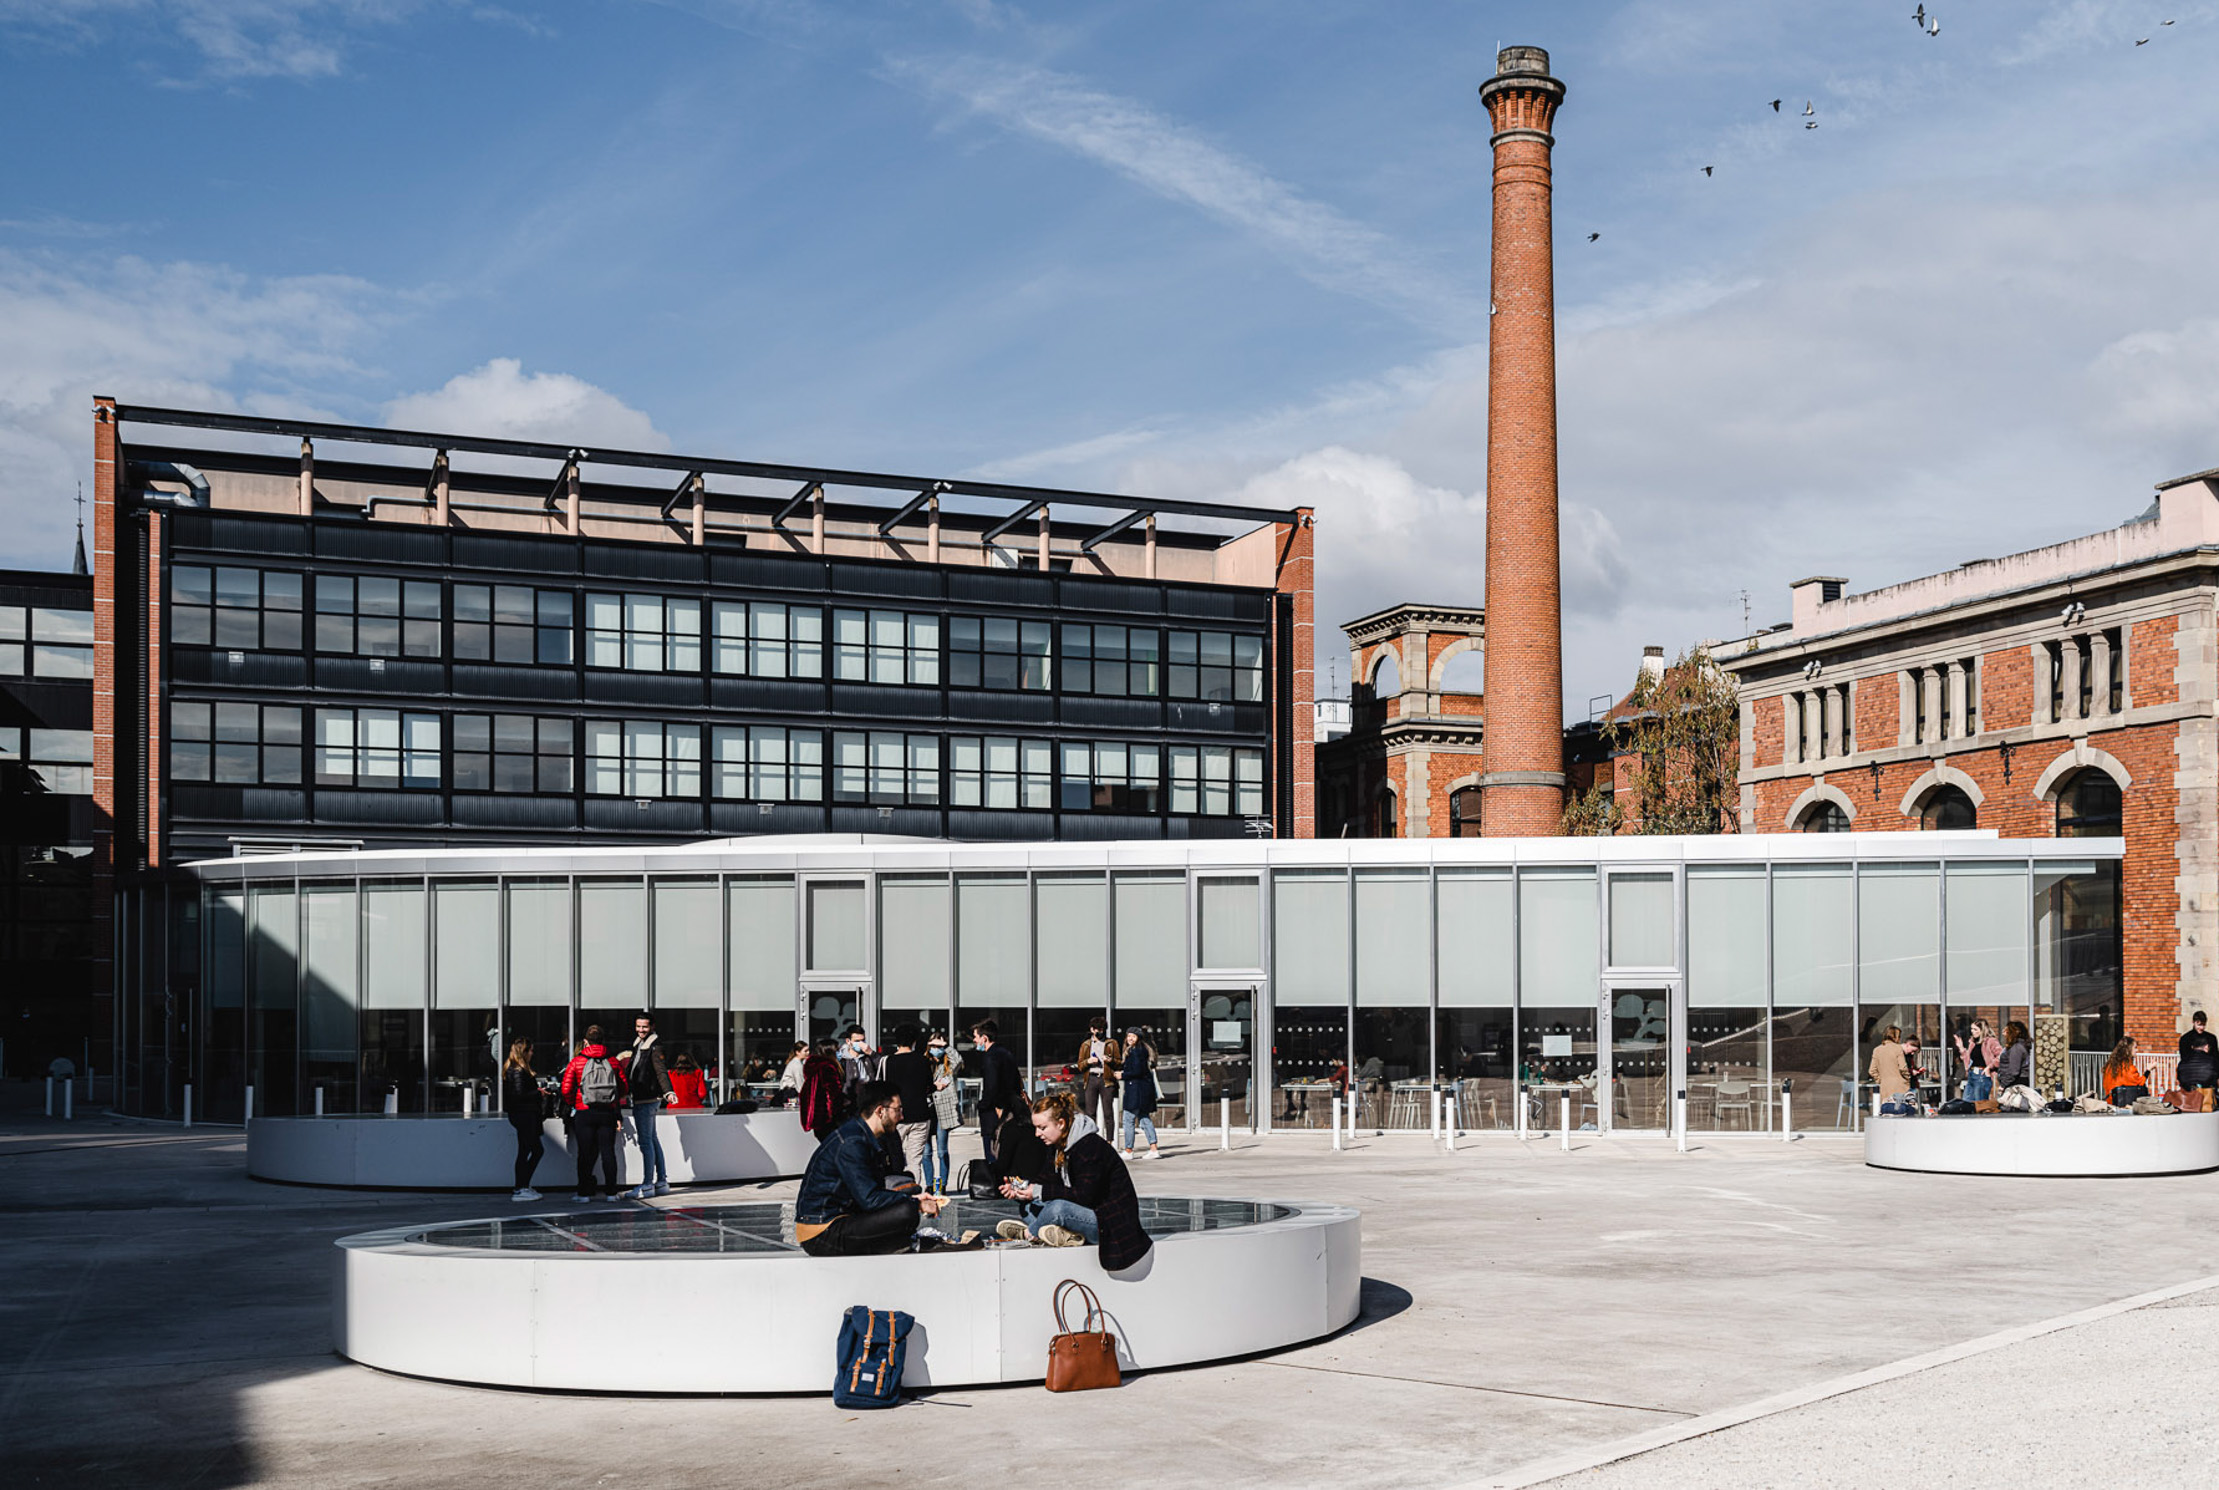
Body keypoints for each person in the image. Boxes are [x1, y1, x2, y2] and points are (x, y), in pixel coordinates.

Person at [996, 1091, 1153, 1272]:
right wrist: (1021, 1189)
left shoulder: (1090, 1147)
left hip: (1109, 1223)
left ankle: (1029, 1234)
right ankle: (1064, 1235)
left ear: (1061, 1123)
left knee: (1058, 1208)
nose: (1037, 1134)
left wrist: (1039, 1191)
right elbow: (1045, 1180)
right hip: (1085, 1211)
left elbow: (1085, 1195)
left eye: (1042, 1127)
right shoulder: (1058, 1145)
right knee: (1029, 1206)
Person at [794, 1080, 942, 1256]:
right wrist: (916, 1203)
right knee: (907, 1212)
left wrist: (913, 1197)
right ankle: (893, 1244)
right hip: (822, 1233)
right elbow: (870, 1199)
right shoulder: (852, 1142)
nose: (901, 1116)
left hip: (838, 1221)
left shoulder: (860, 1135)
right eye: (898, 1110)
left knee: (906, 1201)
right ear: (880, 1111)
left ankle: (893, 1244)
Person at [559, 1025, 629, 1201]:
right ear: (603, 1041)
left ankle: (584, 1194)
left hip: (584, 1111)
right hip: (607, 1112)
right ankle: (611, 1193)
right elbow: (623, 1087)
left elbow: (566, 1089)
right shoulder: (613, 1061)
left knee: (584, 1153)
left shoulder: (577, 1062)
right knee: (608, 1152)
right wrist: (612, 1099)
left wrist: (573, 1102)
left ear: (585, 1042)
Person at [620, 1014, 673, 1199]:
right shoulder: (640, 1044)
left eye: (644, 1027)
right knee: (652, 1139)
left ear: (652, 1027)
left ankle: (647, 1184)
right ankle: (661, 1181)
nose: (641, 1030)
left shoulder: (654, 1046)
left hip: (646, 1099)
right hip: (644, 1098)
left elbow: (661, 1071)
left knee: (646, 1142)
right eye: (638, 1026)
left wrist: (668, 1091)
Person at [881, 1023, 936, 1187]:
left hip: (896, 1115)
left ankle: (895, 1189)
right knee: (915, 1159)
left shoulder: (888, 1061)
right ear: (914, 1041)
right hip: (920, 1114)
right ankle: (914, 1191)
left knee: (894, 1156)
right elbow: (928, 1086)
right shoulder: (923, 1061)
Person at [971, 1020, 1022, 1168]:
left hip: (994, 1113)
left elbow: (991, 1087)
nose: (974, 1040)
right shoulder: (1006, 1053)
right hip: (1010, 1108)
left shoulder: (990, 1057)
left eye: (976, 1037)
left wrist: (983, 1105)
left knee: (992, 1155)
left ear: (984, 1038)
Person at [501, 1038, 545, 1201]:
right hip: (525, 1114)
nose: (532, 1053)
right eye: (530, 1050)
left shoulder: (513, 1069)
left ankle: (522, 1186)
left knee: (527, 1150)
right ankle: (521, 1187)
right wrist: (538, 1092)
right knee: (532, 1150)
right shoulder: (518, 1071)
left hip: (522, 1114)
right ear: (523, 1052)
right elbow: (519, 1095)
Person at [924, 1029, 961, 1193]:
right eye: (933, 1046)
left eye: (939, 1046)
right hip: (925, 1110)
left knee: (941, 1151)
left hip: (942, 1111)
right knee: (926, 1152)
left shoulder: (948, 1065)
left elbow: (958, 1060)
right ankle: (929, 1184)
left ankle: (943, 1184)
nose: (936, 1049)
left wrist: (945, 1046)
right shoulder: (924, 1063)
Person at [1119, 1028, 1163, 1160]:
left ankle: (1128, 1150)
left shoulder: (1136, 1051)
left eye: (1133, 1036)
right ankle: (1153, 1149)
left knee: (1128, 1119)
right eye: (1129, 1036)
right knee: (1144, 1118)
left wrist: (1122, 1075)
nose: (1130, 1038)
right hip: (1144, 1091)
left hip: (1136, 1091)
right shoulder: (1143, 1050)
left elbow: (1137, 1071)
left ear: (1138, 1038)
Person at [1075, 1015, 1120, 1138]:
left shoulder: (1111, 1043)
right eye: (1097, 1029)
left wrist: (1110, 1060)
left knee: (1108, 1112)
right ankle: (1091, 1138)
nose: (1099, 1032)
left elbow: (1119, 1063)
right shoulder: (1086, 1045)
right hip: (1091, 1078)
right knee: (1090, 1112)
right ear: (1092, 1029)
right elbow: (1080, 1065)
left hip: (1106, 1079)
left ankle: (1110, 1140)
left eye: (1101, 1029)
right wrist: (1088, 1061)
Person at [798, 1037, 848, 1140]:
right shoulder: (828, 1068)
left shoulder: (814, 1067)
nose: (840, 1053)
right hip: (828, 1118)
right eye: (837, 1050)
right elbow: (834, 1093)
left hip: (817, 1118)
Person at [1952, 1018, 2000, 1100]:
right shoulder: (1973, 1043)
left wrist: (1989, 1067)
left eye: (1975, 1029)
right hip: (1972, 1074)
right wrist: (1961, 1048)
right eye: (1971, 1029)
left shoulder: (1991, 1041)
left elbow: (2001, 1056)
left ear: (1982, 1030)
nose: (1972, 1031)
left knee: (1979, 1103)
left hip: (1982, 1075)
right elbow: (1968, 1060)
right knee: (1966, 1101)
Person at [1869, 1025, 1914, 1106]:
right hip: (1900, 1086)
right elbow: (1903, 1068)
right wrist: (1907, 1079)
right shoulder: (1898, 1048)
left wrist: (1880, 1080)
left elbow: (1872, 1070)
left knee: (1887, 1110)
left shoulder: (1877, 1050)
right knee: (1900, 1110)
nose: (1899, 1039)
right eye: (1899, 1036)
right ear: (1895, 1036)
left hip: (1885, 1087)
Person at [2179, 1012, 2218, 1102]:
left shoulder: (2210, 1038)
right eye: (2199, 1024)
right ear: (2193, 1022)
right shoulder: (2186, 1039)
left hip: (2197, 1075)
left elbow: (2216, 1057)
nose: (2201, 1027)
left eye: (2203, 1025)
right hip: (2201, 1075)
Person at [2103, 1037, 2149, 1106]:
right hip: (2122, 1104)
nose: (2137, 1050)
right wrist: (2148, 1070)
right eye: (2135, 1047)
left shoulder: (2110, 1066)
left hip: (2110, 1103)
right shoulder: (2128, 1068)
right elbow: (2139, 1084)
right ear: (2128, 1050)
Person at [838, 1025, 880, 1100]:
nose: (861, 1044)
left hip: (870, 1097)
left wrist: (871, 1053)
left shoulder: (869, 1057)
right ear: (848, 1041)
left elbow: (882, 1066)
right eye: (857, 1041)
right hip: (851, 1099)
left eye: (863, 1040)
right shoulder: (842, 1060)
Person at [1995, 1020, 2032, 1090]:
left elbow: (2014, 1071)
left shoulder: (2016, 1048)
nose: (2003, 1033)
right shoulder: (2016, 1046)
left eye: (2006, 1031)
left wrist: (2003, 1085)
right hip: (2012, 1082)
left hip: (2015, 1083)